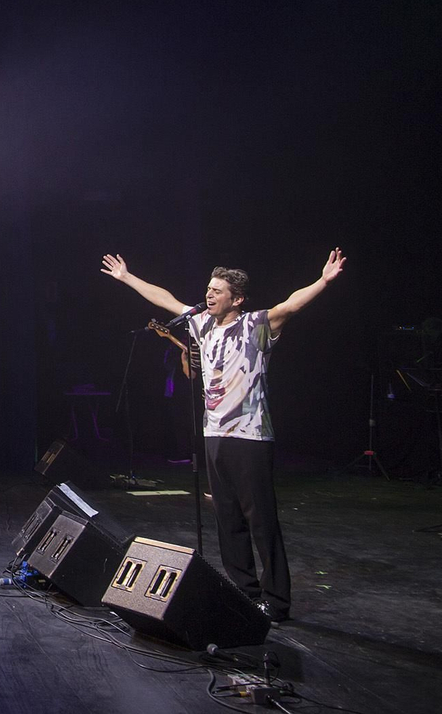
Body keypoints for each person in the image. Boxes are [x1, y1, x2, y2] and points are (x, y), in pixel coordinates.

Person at [100, 248, 347, 623]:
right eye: (209, 289)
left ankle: (276, 601)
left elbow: (291, 305)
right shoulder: (200, 324)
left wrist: (323, 281)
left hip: (250, 437)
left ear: (237, 298)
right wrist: (127, 278)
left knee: (261, 521)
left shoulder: (257, 325)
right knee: (226, 517)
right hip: (214, 434)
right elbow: (166, 299)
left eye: (217, 291)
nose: (209, 295)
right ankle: (245, 593)